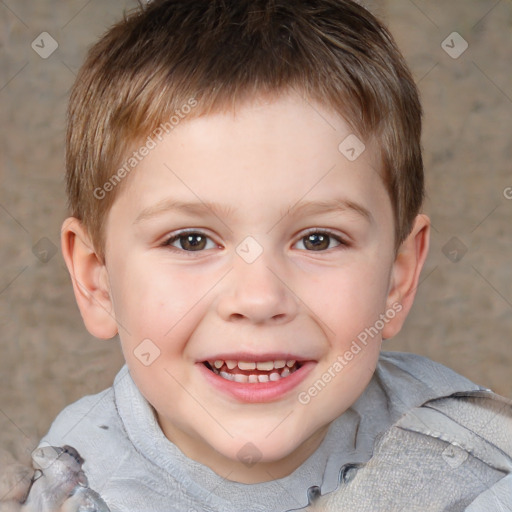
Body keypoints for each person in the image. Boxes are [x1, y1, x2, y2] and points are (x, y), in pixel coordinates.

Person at [2, 1, 511, 510]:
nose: (260, 297)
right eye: (191, 240)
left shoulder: (476, 461)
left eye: (318, 239)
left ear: (397, 279)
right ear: (98, 282)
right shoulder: (74, 485)